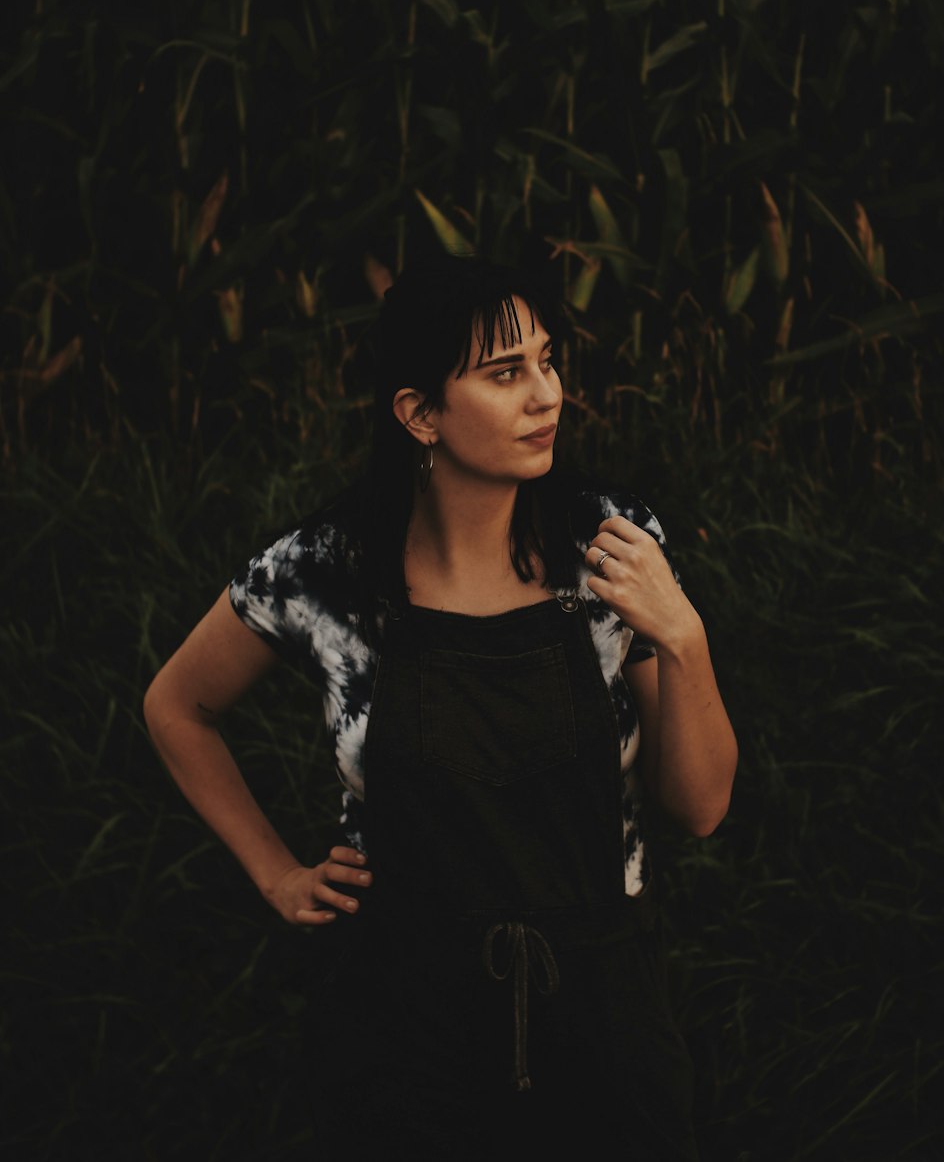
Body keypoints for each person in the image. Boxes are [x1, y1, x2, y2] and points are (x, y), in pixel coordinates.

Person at [144, 254, 738, 1157]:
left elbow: (698, 807)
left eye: (548, 361)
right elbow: (176, 705)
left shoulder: (610, 546)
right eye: (506, 373)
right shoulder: (323, 573)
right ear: (419, 413)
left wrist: (683, 637)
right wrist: (276, 873)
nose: (546, 395)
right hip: (402, 1029)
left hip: (605, 1016)